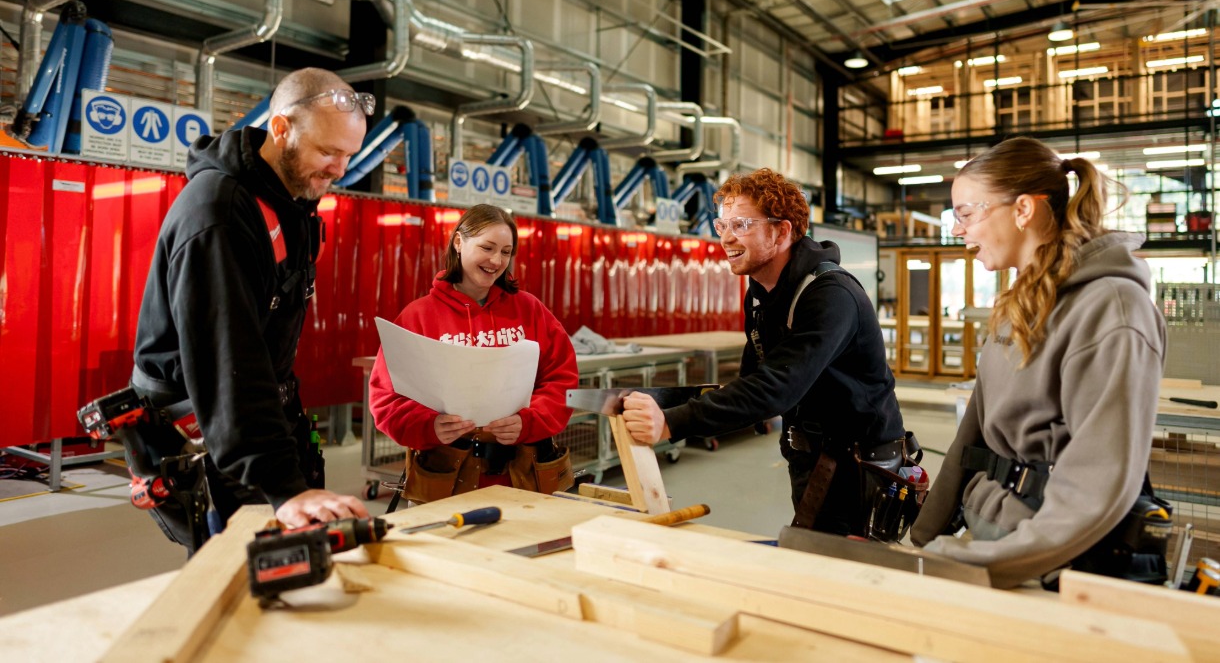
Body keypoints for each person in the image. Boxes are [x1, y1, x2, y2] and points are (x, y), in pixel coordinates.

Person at [910, 137, 1166, 589]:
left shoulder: (1112, 308)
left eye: (967, 213)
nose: (957, 229)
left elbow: (1097, 483)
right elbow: (974, 436)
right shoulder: (1017, 306)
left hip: (1057, 560)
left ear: (1023, 209)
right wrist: (923, 539)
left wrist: (987, 565)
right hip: (996, 535)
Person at [131, 67, 371, 547]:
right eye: (327, 151)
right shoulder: (219, 216)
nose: (339, 170)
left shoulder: (291, 199)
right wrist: (283, 487)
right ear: (280, 129)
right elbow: (228, 361)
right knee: (246, 571)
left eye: (348, 155)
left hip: (260, 414)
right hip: (209, 427)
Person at [622, 168, 909, 536]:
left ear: (781, 231)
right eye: (721, 225)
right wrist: (670, 403)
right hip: (811, 457)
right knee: (816, 563)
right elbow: (753, 380)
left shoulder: (831, 295)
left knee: (849, 578)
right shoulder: (760, 293)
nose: (726, 237)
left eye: (740, 224)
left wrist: (671, 422)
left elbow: (775, 388)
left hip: (861, 467)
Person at [369, 204, 579, 501]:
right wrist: (428, 426)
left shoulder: (530, 310)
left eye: (506, 252)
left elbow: (562, 380)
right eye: (487, 247)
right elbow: (386, 398)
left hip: (524, 476)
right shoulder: (419, 316)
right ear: (458, 243)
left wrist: (529, 421)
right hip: (447, 477)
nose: (496, 260)